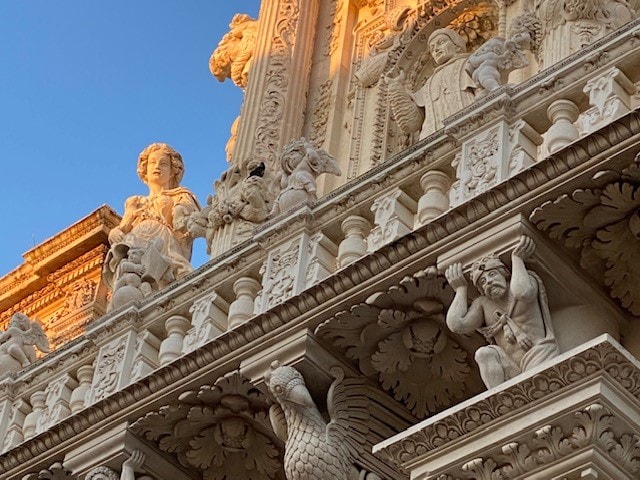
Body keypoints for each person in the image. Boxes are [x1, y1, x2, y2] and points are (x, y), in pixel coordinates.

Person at [444, 236, 559, 388]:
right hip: (512, 366)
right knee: (483, 353)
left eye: (492, 275)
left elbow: (523, 292)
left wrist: (517, 259)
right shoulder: (483, 303)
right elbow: (457, 325)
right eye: (483, 282)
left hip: (539, 353)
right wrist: (460, 289)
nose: (489, 282)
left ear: (505, 273)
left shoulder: (524, 280)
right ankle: (499, 399)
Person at [106, 143, 200, 290]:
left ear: (172, 171)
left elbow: (185, 224)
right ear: (145, 169)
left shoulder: (181, 196)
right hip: (135, 241)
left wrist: (181, 214)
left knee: (162, 278)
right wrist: (116, 232)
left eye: (163, 164)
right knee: (133, 278)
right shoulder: (135, 201)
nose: (157, 167)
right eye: (152, 163)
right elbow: (124, 227)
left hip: (163, 241)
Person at [386, 28, 476, 139]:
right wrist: (395, 87)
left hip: (471, 130)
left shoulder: (469, 64)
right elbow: (411, 124)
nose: (436, 49)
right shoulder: (429, 84)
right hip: (433, 143)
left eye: (441, 43)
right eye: (432, 48)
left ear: (457, 46)